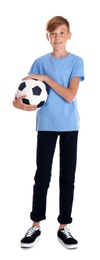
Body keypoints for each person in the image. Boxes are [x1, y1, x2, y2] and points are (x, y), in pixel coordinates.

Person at [13, 16, 84, 249]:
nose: (57, 38)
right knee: (42, 175)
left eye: (62, 33)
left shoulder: (76, 61)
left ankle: (64, 227)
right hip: (45, 126)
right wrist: (18, 105)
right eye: (53, 33)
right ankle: (35, 225)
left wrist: (46, 79)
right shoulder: (39, 62)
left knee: (67, 177)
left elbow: (70, 95)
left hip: (69, 126)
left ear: (69, 36)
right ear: (47, 36)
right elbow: (21, 95)